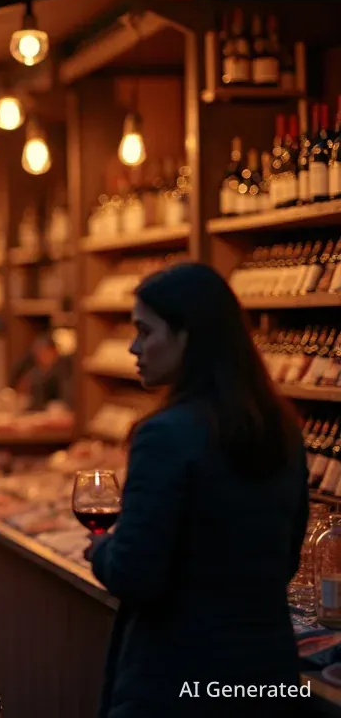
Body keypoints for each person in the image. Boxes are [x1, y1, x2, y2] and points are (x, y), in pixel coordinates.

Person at [87, 263, 307, 718]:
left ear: (188, 336)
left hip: (180, 676)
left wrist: (100, 549)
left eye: (145, 332)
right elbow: (285, 558)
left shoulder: (165, 435)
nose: (134, 346)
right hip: (268, 675)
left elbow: (135, 573)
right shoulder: (283, 430)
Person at [10, 331, 72, 411]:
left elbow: (67, 398)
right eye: (38, 353)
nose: (41, 356)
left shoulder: (65, 369)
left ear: (54, 351)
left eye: (44, 351)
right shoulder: (35, 372)